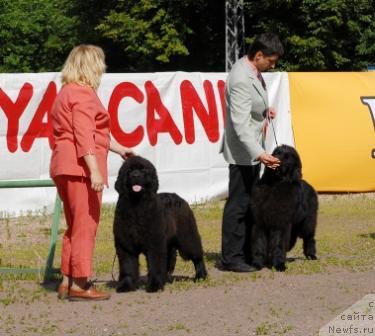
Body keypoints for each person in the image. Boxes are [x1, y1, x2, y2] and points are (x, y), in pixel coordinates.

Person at [50, 44, 134, 300]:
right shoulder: (85, 94)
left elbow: (92, 133)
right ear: (91, 66)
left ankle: (66, 280)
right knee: (86, 225)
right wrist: (95, 171)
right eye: (100, 63)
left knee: (74, 225)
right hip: (80, 168)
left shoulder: (65, 92)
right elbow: (85, 135)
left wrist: (119, 148)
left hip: (63, 165)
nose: (103, 68)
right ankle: (80, 283)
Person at [220, 33, 284, 272]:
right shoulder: (240, 79)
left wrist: (264, 110)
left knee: (248, 202)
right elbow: (239, 123)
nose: (273, 65)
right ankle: (231, 258)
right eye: (271, 60)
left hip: (251, 150)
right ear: (258, 55)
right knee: (238, 204)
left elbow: (250, 108)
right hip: (243, 153)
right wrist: (259, 153)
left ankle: (245, 252)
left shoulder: (251, 70)